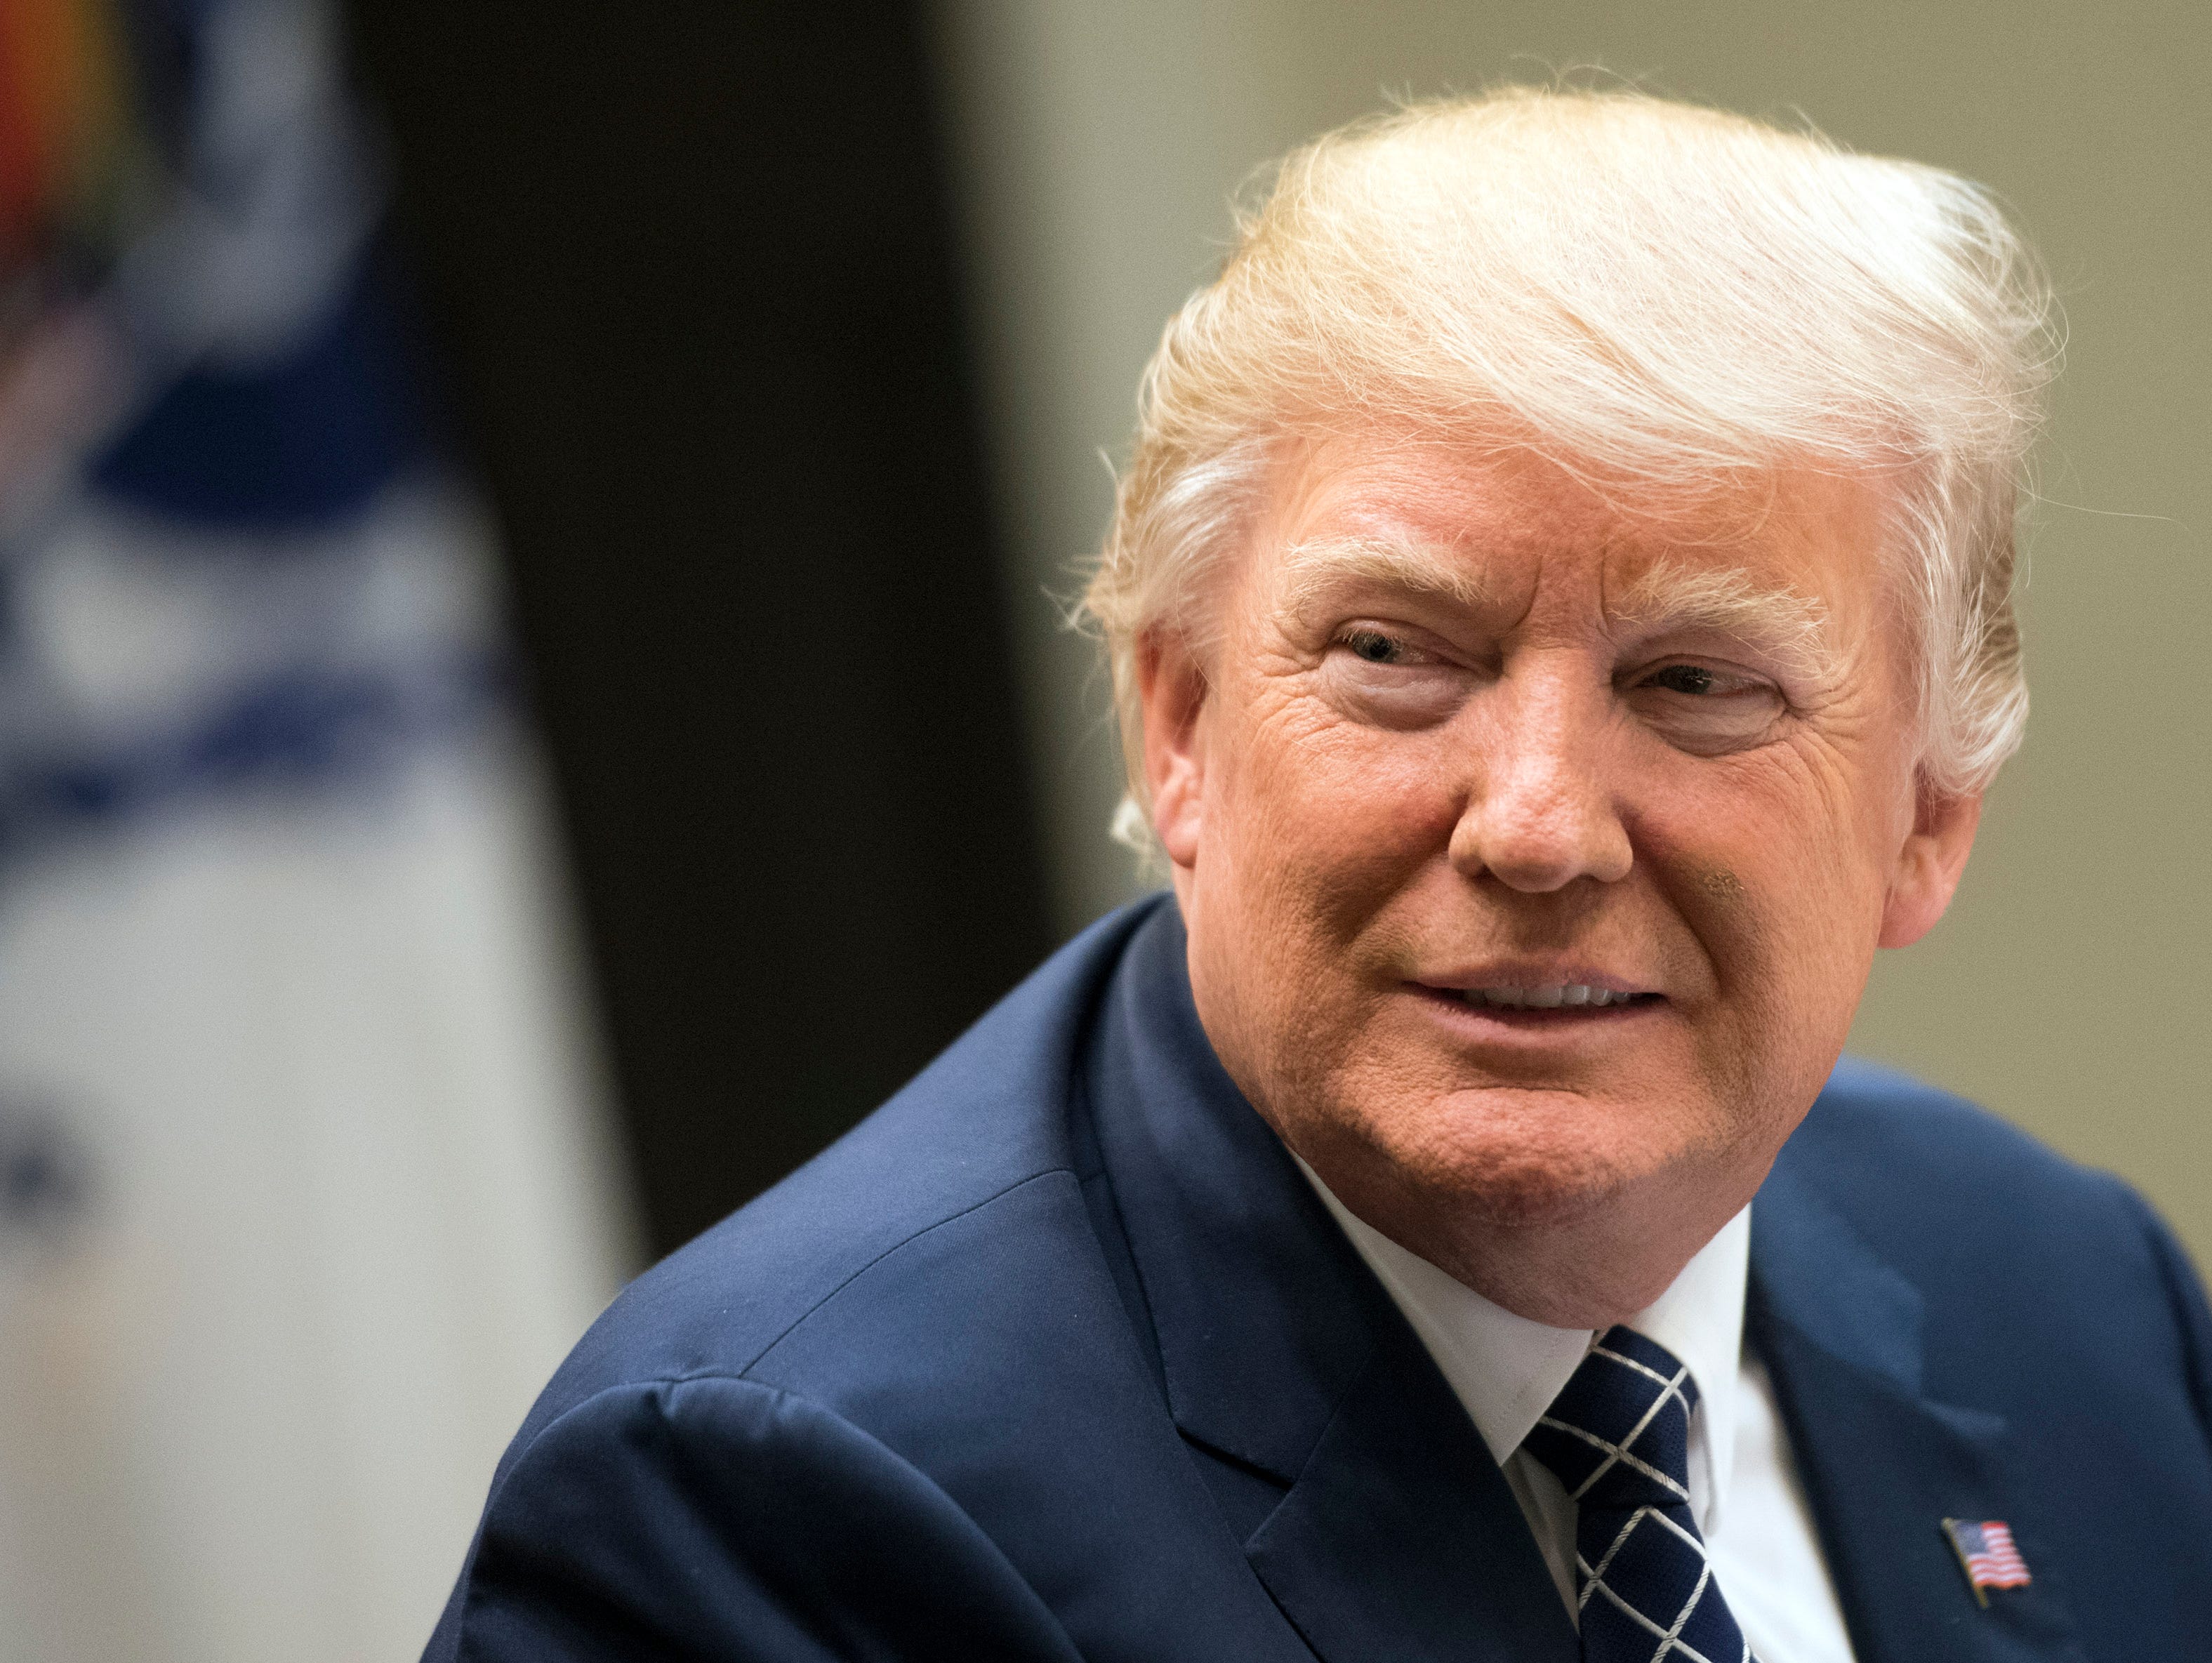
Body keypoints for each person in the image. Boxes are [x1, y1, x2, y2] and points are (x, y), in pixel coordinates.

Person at [425, 89, 2212, 1662]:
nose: (1534, 824)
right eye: (1396, 654)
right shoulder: (770, 1507)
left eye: (1693, 684)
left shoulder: (2070, 1297)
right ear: (1179, 722)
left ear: (1927, 819)